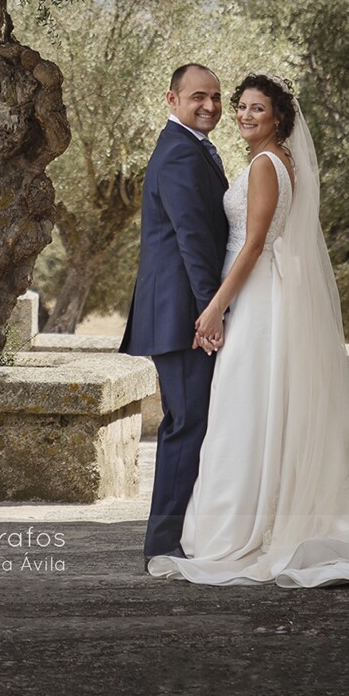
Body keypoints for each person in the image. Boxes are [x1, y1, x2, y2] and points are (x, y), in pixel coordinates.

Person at [146, 72, 349, 589]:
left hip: (251, 296)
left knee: (245, 411)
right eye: (242, 107)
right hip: (259, 295)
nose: (245, 115)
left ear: (279, 118)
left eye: (258, 109)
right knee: (257, 409)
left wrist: (212, 309)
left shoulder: (264, 165)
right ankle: (245, 516)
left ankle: (239, 528)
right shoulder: (276, 161)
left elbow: (251, 246)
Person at [120, 63, 229, 566]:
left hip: (185, 312)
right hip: (183, 316)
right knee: (186, 425)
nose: (209, 105)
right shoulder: (181, 154)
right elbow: (192, 240)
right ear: (172, 99)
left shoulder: (192, 148)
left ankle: (186, 535)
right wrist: (212, 311)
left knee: (190, 423)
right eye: (198, 97)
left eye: (216, 97)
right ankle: (163, 545)